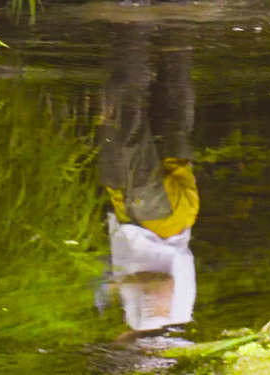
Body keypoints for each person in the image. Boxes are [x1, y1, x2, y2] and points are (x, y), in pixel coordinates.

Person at [97, 25, 198, 345]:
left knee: (172, 109)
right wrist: (117, 285)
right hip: (154, 219)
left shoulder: (154, 329)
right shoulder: (157, 333)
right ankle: (130, 32)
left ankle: (176, 26)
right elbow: (160, 283)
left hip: (165, 215)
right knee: (121, 118)